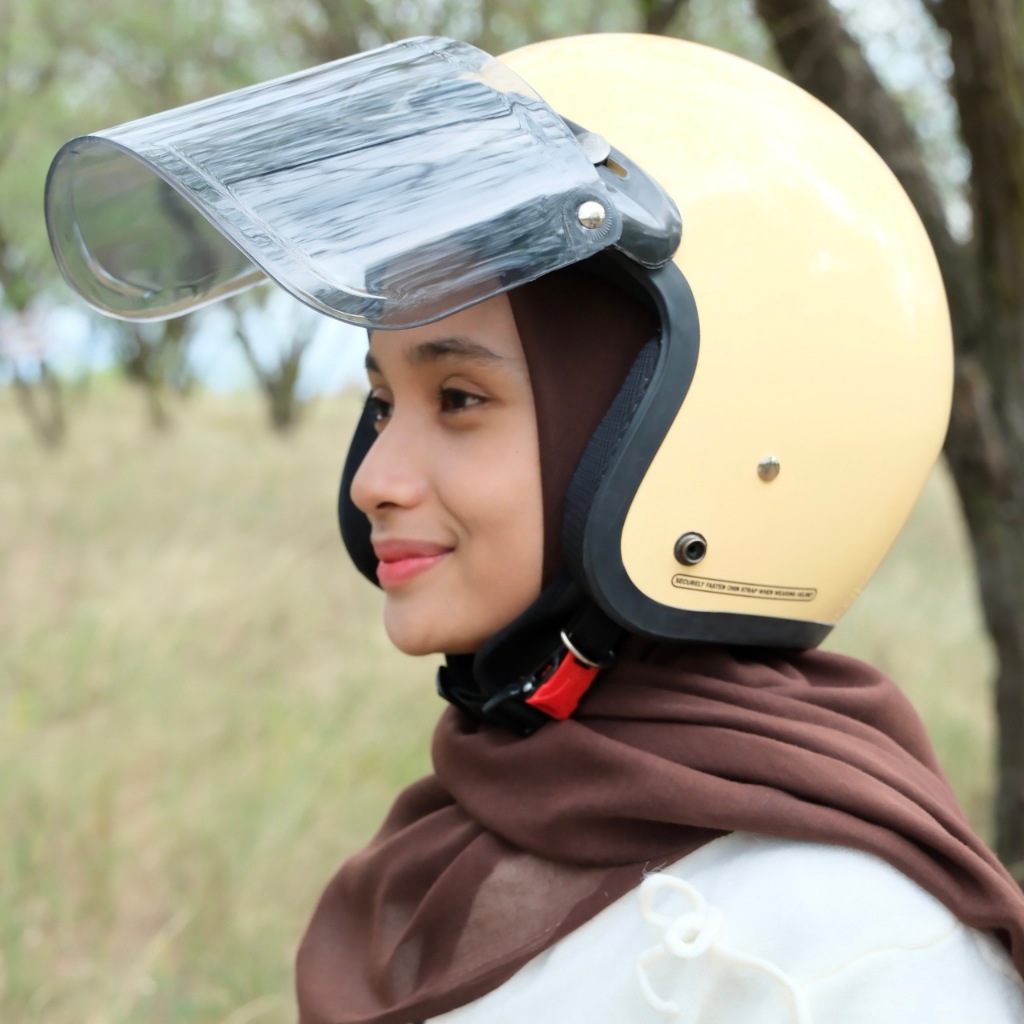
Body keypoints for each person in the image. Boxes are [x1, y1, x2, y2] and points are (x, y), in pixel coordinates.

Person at [45, 31, 1024, 1024]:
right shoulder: (466, 836)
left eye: (459, 398)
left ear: (687, 433)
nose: (374, 480)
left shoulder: (839, 953)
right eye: (382, 401)